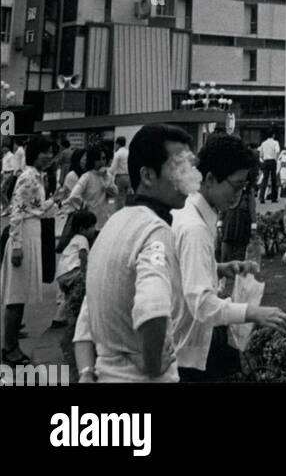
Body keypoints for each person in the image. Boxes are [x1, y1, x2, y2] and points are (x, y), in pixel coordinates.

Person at [73, 124, 198, 383]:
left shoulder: (113, 226)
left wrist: (86, 373)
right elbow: (152, 308)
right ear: (148, 176)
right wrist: (153, 365)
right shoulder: (154, 231)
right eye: (179, 168)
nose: (190, 177)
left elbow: (88, 315)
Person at [171, 133, 286, 381]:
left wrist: (219, 268)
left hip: (184, 342)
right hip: (186, 350)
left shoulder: (192, 213)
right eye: (236, 186)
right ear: (211, 179)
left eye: (244, 187)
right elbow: (202, 304)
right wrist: (254, 313)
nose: (238, 195)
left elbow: (182, 269)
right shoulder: (194, 228)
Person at [1, 136, 57, 363]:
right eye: (46, 151)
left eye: (51, 152)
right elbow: (16, 212)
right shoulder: (27, 176)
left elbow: (34, 208)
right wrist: (16, 245)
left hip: (32, 234)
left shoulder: (37, 177)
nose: (50, 156)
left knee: (21, 296)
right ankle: (8, 348)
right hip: (23, 237)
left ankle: (12, 344)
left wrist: (55, 201)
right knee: (15, 297)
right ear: (35, 152)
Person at [51, 208, 97, 328]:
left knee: (69, 296)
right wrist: (85, 273)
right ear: (82, 229)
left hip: (62, 274)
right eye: (92, 226)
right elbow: (83, 256)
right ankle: (78, 318)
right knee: (82, 289)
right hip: (72, 272)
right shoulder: (83, 240)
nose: (94, 229)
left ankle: (58, 318)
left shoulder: (74, 239)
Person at [62, 144, 117, 227]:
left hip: (104, 218)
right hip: (90, 220)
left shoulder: (108, 176)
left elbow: (115, 193)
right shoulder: (87, 177)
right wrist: (86, 205)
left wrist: (106, 182)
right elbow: (74, 196)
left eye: (104, 158)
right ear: (92, 160)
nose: (102, 162)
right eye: (98, 159)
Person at [258, 128, 281, 204]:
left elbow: (261, 154)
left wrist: (263, 159)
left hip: (265, 161)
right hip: (272, 161)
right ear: (273, 135)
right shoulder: (275, 142)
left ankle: (262, 198)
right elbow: (277, 151)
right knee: (274, 180)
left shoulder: (263, 143)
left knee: (265, 179)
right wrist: (276, 159)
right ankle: (274, 198)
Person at [110, 136, 131, 211]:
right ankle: (126, 211)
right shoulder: (129, 152)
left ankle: (119, 212)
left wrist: (108, 173)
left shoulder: (118, 153)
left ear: (117, 144)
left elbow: (113, 167)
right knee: (127, 197)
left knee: (119, 197)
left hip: (120, 177)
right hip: (129, 177)